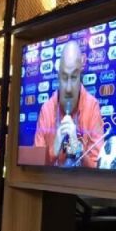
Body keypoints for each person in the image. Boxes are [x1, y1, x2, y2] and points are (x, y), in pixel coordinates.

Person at [34, 40, 104, 168]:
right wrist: (53, 150)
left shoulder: (92, 107)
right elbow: (35, 168)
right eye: (65, 77)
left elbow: (98, 168)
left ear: (80, 76)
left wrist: (78, 150)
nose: (68, 88)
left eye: (74, 77)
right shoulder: (46, 110)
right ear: (58, 77)